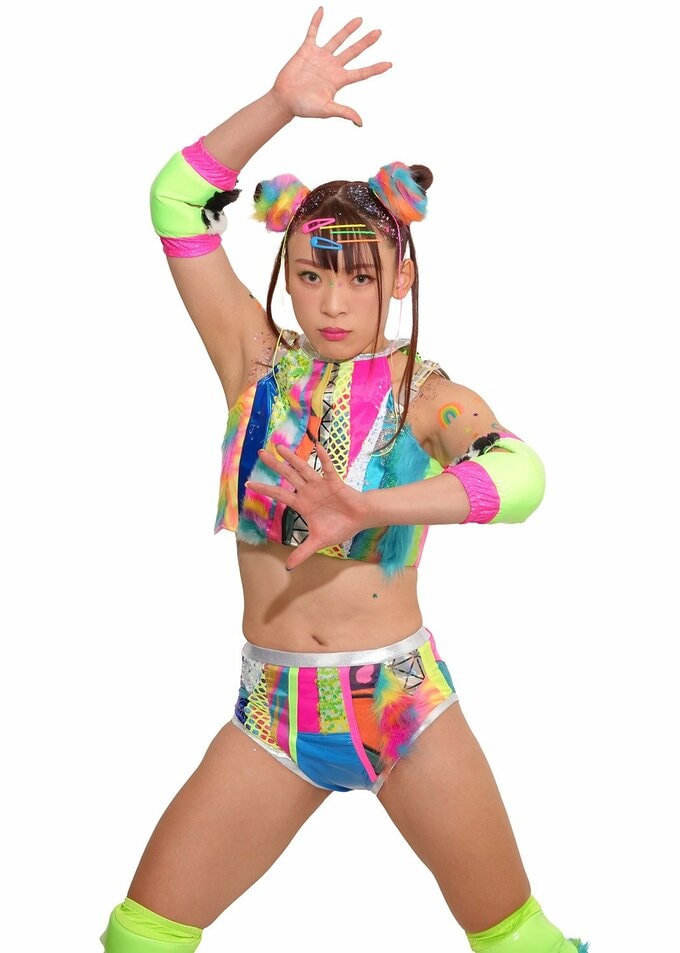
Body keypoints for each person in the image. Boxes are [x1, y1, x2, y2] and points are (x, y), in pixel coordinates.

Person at [101, 8, 589, 952]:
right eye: (313, 274)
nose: (333, 302)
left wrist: (366, 505)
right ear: (286, 271)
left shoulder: (426, 395)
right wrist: (278, 104)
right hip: (272, 711)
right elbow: (175, 202)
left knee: (519, 940)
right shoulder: (253, 361)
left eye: (360, 277)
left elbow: (520, 477)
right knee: (142, 935)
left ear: (399, 278)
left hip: (402, 707)